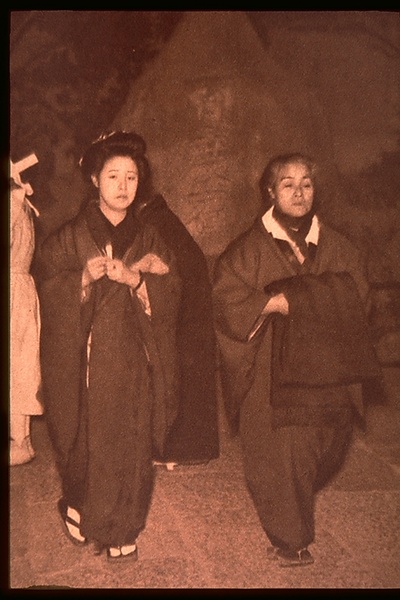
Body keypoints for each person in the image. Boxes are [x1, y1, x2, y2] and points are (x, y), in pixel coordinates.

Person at [212, 153, 381, 567]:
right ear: (270, 192)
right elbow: (226, 300)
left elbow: (361, 294)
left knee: (327, 447)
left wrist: (303, 300)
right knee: (280, 455)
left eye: (307, 183)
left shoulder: (338, 245)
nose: (300, 192)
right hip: (271, 376)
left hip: (329, 370)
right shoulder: (246, 251)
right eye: (288, 184)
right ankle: (291, 540)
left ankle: (295, 503)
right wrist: (268, 304)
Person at [35, 131, 181, 561]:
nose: (123, 186)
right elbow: (44, 283)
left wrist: (137, 280)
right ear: (95, 180)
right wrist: (81, 279)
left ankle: (122, 528)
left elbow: (174, 287)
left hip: (135, 360)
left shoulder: (149, 235)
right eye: (113, 176)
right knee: (83, 443)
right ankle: (77, 504)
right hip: (84, 360)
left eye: (131, 177)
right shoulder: (69, 236)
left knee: (132, 442)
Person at [134, 193, 219, 468]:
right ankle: (184, 447)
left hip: (181, 310)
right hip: (188, 310)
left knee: (174, 370)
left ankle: (175, 448)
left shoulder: (151, 223)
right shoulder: (162, 218)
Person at [10, 153, 43, 466]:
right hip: (20, 289)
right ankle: (21, 439)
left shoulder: (12, 205)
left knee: (17, 365)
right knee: (20, 362)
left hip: (12, 291)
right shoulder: (19, 203)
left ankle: (20, 442)